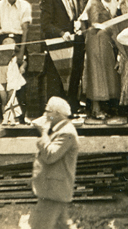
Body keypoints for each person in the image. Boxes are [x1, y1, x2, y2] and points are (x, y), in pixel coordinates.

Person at [29, 97, 79, 229]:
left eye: (48, 112)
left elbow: (50, 156)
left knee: (40, 226)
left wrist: (44, 132)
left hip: (54, 191)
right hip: (53, 189)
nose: (45, 115)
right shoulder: (59, 130)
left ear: (57, 114)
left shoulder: (67, 133)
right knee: (61, 226)